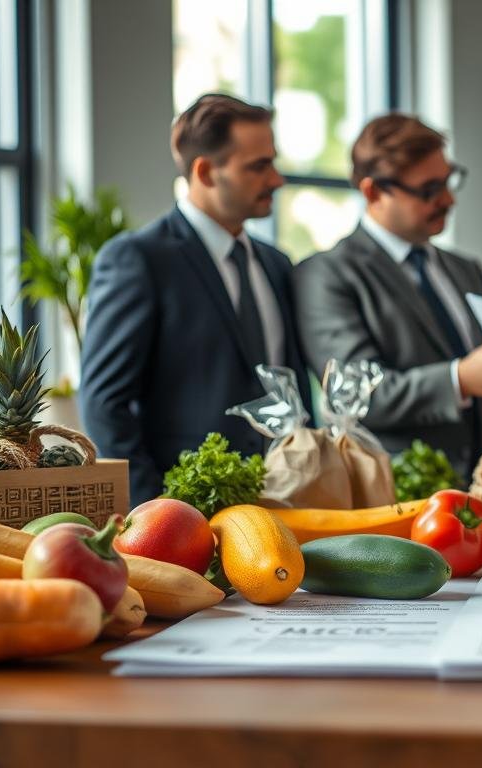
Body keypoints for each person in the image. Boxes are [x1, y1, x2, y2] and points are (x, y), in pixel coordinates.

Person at [81, 93, 314, 505]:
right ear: (205, 171)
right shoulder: (138, 259)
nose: (277, 179)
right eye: (259, 166)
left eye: (273, 162)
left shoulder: (277, 264)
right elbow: (104, 403)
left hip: (286, 505)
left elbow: (293, 389)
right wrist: (153, 510)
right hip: (184, 510)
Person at [294, 114, 482, 479]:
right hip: (396, 491)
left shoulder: (466, 269)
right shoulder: (326, 275)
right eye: (429, 190)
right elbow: (359, 398)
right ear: (373, 192)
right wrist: (460, 379)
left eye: (448, 182)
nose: (448, 199)